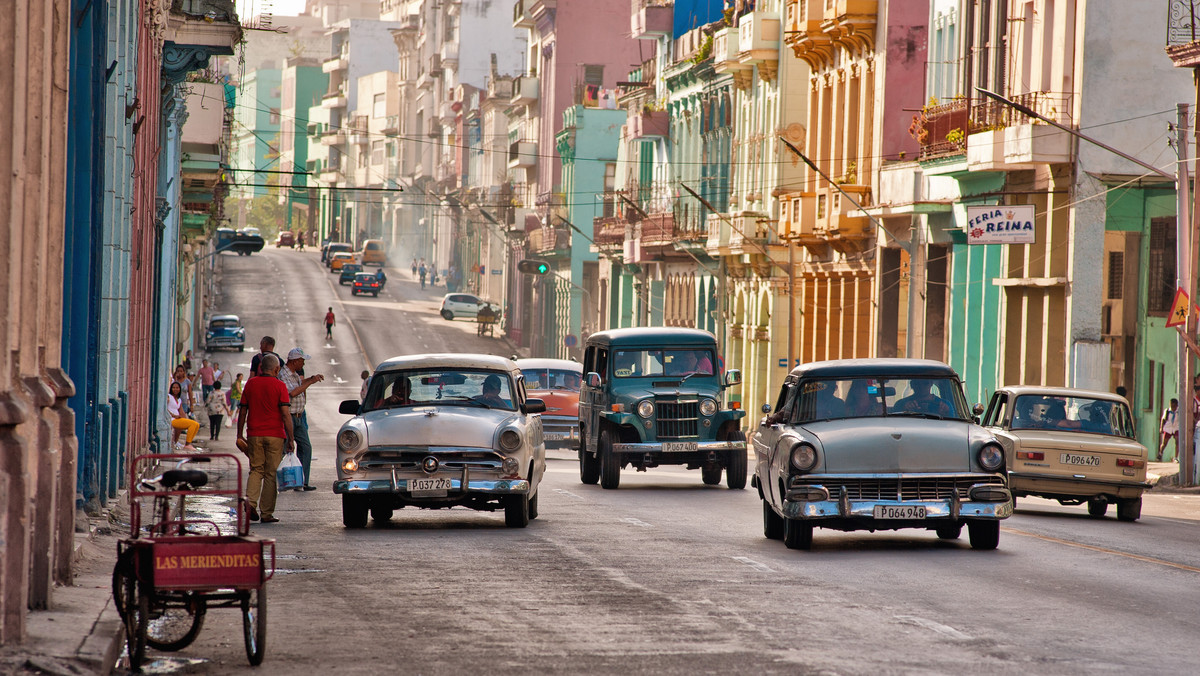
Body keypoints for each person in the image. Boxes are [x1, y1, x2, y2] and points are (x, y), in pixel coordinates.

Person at [237, 354, 294, 524]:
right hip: (275, 435)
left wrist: (239, 434)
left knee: (256, 469)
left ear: (261, 368)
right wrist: (291, 438)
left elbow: (242, 411)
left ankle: (250, 502)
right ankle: (267, 513)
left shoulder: (251, 384)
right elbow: (285, 414)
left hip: (254, 434)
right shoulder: (280, 386)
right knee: (270, 474)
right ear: (276, 369)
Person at [278, 348, 324, 491]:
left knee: (305, 447)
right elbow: (293, 392)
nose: (303, 364)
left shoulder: (295, 375)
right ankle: (281, 481)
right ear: (295, 361)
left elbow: (299, 391)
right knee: (285, 448)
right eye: (302, 361)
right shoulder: (283, 374)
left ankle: (302, 481)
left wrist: (308, 380)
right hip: (289, 416)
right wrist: (310, 381)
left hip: (299, 416)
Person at [167, 381, 200, 450]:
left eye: (177, 388)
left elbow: (181, 411)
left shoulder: (179, 399)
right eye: (173, 388)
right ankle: (187, 444)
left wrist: (185, 420)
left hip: (178, 418)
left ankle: (189, 442)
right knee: (193, 424)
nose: (175, 389)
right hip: (171, 419)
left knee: (196, 424)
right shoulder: (169, 397)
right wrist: (173, 415)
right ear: (171, 389)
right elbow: (164, 409)